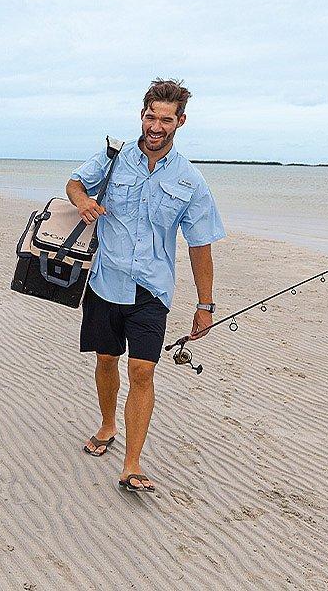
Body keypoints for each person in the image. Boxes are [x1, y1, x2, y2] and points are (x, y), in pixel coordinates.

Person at [66, 79, 225, 493]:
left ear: (180, 122)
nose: (156, 126)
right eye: (151, 116)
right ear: (142, 115)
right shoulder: (114, 157)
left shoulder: (191, 180)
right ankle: (106, 424)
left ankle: (132, 463)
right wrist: (82, 202)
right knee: (106, 360)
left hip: (152, 290)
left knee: (142, 370)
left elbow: (200, 245)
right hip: (105, 281)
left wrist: (205, 304)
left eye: (166, 119)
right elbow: (74, 183)